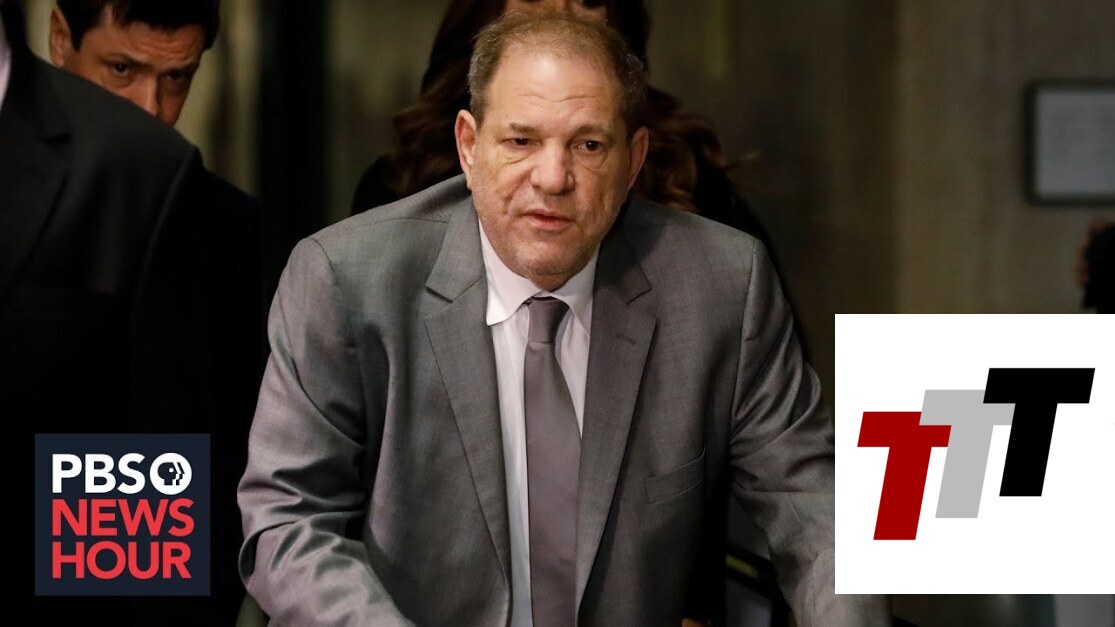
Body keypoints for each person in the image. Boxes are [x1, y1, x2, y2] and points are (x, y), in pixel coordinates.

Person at [240, 11, 888, 627]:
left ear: (633, 160)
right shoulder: (347, 280)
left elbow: (813, 507)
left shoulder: (720, 285)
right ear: (468, 145)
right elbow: (287, 522)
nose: (553, 178)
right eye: (520, 140)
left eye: (588, 144)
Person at [0, 1, 257, 623]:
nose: (149, 107)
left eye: (176, 78)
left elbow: (159, 498)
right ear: (60, 38)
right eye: (121, 69)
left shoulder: (212, 226)